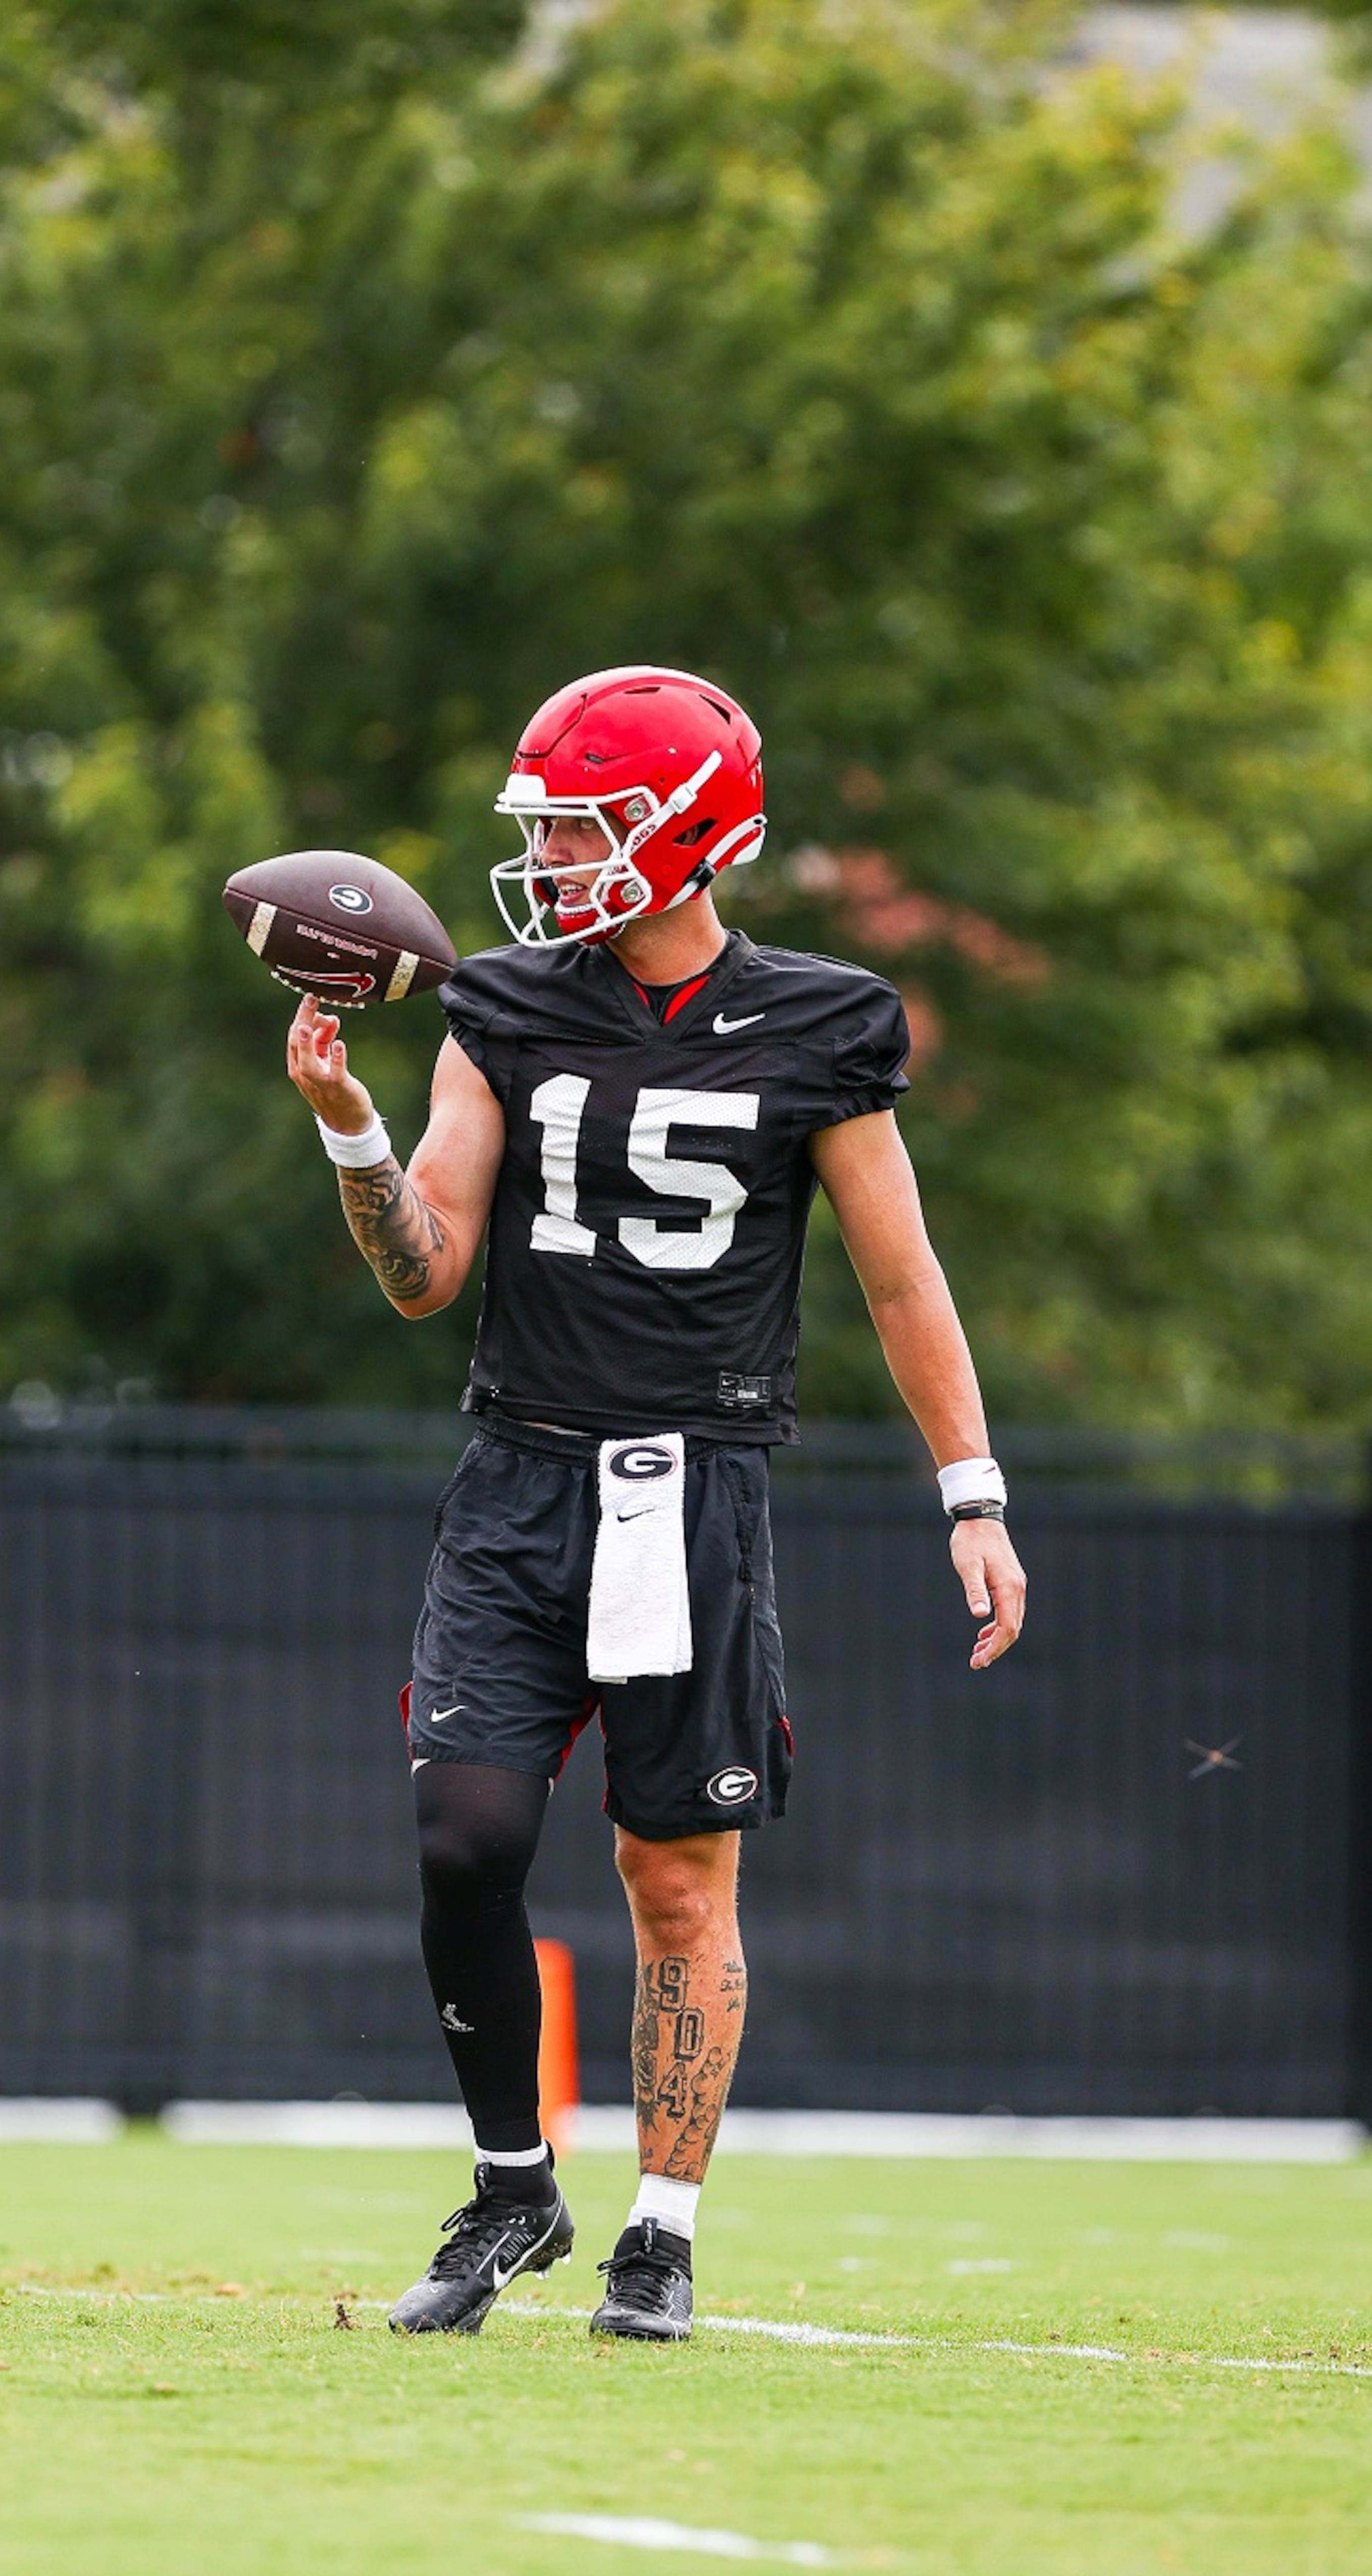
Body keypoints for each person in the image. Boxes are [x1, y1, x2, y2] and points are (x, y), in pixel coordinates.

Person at [286, 665, 1025, 2341]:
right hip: (518, 1475)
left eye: (582, 824)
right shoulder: (509, 1005)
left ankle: (663, 2229)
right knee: (464, 1839)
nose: (550, 858)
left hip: (694, 1484)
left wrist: (969, 1492)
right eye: (542, 828)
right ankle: (510, 2187)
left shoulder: (826, 1020)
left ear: (689, 831)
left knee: (677, 1879)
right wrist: (353, 1133)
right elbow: (429, 1271)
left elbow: (904, 1284)